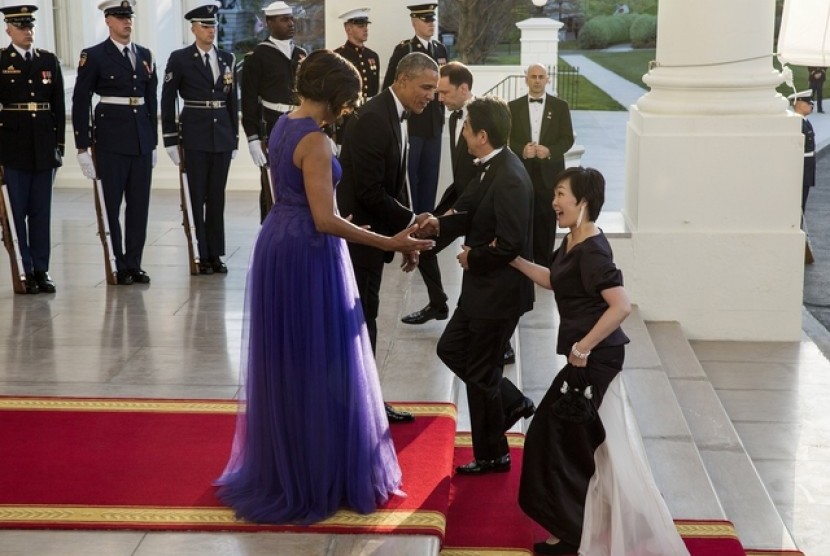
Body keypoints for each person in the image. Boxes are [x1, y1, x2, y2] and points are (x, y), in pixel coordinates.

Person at [215, 50, 434, 525]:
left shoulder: (283, 125)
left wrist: (334, 218)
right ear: (334, 96)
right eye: (347, 101)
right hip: (309, 252)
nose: (348, 109)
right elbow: (324, 219)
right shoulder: (315, 141)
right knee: (323, 360)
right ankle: (318, 475)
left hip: (278, 240)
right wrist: (389, 240)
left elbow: (293, 198)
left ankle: (287, 467)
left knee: (289, 361)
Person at [511, 167, 688, 555]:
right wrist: (516, 261)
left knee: (555, 439)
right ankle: (627, 522)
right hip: (585, 358)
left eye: (561, 194)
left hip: (594, 360)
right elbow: (556, 280)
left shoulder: (592, 248)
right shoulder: (574, 239)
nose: (554, 201)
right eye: (555, 193)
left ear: (583, 202)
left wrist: (583, 347)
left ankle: (574, 533)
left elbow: (621, 305)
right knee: (602, 447)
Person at [421, 96, 535, 475]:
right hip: (480, 292)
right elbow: (467, 207)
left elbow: (511, 243)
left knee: (482, 371)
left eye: (467, 128)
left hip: (499, 294)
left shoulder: (512, 178)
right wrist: (435, 226)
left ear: (482, 135)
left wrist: (473, 258)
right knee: (454, 350)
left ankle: (492, 454)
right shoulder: (491, 166)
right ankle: (512, 402)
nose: (463, 134)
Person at [337, 52, 438, 424]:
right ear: (403, 80)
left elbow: (397, 182)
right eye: (426, 87)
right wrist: (411, 222)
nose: (431, 95)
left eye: (434, 89)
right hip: (359, 237)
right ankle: (360, 406)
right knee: (362, 321)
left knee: (367, 319)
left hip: (375, 235)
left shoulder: (398, 114)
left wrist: (407, 234)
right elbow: (368, 192)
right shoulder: (373, 119)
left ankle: (364, 400)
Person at [72, 0, 158, 286]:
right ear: (108, 20)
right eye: (120, 17)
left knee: (138, 206)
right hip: (110, 140)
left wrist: (153, 141)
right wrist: (82, 146)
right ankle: (116, 262)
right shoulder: (94, 55)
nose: (127, 22)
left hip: (140, 141)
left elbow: (151, 99)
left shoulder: (145, 54)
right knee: (111, 205)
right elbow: (81, 100)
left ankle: (134, 263)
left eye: (129, 16)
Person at [161, 0, 238, 275]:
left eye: (213, 26)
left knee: (217, 196)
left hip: (221, 136)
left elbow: (232, 100)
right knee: (196, 195)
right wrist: (170, 138)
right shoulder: (180, 58)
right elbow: (167, 99)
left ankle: (215, 253)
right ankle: (199, 251)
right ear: (193, 28)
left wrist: (235, 137)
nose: (210, 30)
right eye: (205, 26)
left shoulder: (227, 58)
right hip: (194, 134)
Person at [401, 61, 476, 326]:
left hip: (478, 203)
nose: (438, 98)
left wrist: (455, 211)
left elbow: (486, 173)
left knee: (478, 266)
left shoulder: (481, 117)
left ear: (464, 89)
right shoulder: (454, 117)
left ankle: (498, 341)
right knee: (422, 241)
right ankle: (438, 304)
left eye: (444, 93)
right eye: (437, 92)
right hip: (458, 195)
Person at [0, 1, 64, 294]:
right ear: (8, 29)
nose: (28, 31)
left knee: (41, 212)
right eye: (21, 26)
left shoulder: (47, 60)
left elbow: (59, 106)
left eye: (30, 26)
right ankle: (24, 270)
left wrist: (59, 145)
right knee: (17, 212)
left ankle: (42, 268)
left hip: (43, 146)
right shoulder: (2, 61)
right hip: (13, 147)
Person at [240, 0, 306, 222]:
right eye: (284, 19)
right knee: (272, 185)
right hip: (273, 127)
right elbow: (248, 101)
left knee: (300, 182)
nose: (291, 23)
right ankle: (269, 233)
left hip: (300, 126)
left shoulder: (301, 54)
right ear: (269, 23)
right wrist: (252, 138)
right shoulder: (257, 57)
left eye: (291, 18)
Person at [382, 3, 448, 215]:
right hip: (412, 124)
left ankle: (426, 223)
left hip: (433, 124)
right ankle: (411, 221)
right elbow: (390, 87)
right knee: (410, 179)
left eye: (432, 19)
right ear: (414, 22)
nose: (431, 24)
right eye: (426, 20)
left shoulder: (440, 49)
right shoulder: (405, 50)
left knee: (430, 177)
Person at [508, 63, 574, 268]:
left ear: (548, 79)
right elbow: (508, 137)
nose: (537, 80)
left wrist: (550, 151)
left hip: (550, 173)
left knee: (546, 221)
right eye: (533, 76)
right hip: (522, 172)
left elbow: (567, 139)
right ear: (526, 79)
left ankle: (545, 267)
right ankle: (525, 264)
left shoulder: (560, 106)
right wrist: (522, 150)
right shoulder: (513, 106)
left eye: (541, 76)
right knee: (523, 217)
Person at [332, 7, 380, 149]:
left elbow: (375, 90)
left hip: (369, 114)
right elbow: (335, 90)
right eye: (360, 26)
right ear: (348, 29)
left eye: (366, 25)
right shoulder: (338, 56)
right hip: (347, 115)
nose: (365, 29)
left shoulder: (372, 56)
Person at [792, 90, 816, 213]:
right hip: (801, 167)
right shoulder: (796, 123)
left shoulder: (804, 122)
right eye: (809, 103)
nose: (811, 105)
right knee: (799, 203)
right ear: (800, 104)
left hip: (806, 167)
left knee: (802, 201)